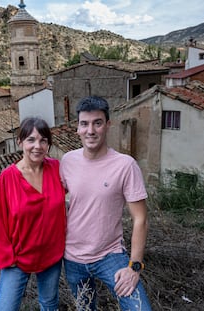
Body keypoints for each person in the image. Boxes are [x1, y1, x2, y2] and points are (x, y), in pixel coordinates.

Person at [60, 96, 152, 310]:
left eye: (97, 123)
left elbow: (141, 219)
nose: (90, 130)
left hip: (110, 256)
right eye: (84, 124)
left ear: (108, 125)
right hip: (72, 258)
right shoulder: (67, 161)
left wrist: (134, 267)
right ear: (78, 128)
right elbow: (51, 200)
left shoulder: (125, 165)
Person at [0, 117, 66, 311]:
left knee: (49, 305)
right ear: (20, 142)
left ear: (48, 144)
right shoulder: (8, 176)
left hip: (51, 256)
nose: (37, 146)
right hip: (18, 258)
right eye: (31, 140)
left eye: (43, 140)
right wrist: (8, 258)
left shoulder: (56, 169)